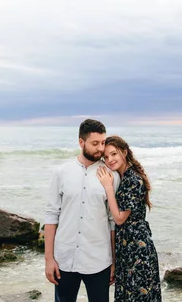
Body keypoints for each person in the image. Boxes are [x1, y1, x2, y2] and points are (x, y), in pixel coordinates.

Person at [44, 119, 120, 302]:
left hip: (98, 260)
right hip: (65, 258)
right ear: (81, 142)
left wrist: (114, 261)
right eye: (95, 143)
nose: (100, 149)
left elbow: (112, 221)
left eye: (103, 143)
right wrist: (49, 259)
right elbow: (51, 215)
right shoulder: (61, 172)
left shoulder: (112, 176)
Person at [97, 135, 162, 302]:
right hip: (126, 250)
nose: (110, 160)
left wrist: (108, 187)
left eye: (114, 154)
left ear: (124, 152)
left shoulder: (133, 180)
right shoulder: (123, 177)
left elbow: (119, 218)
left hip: (138, 251)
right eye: (106, 157)